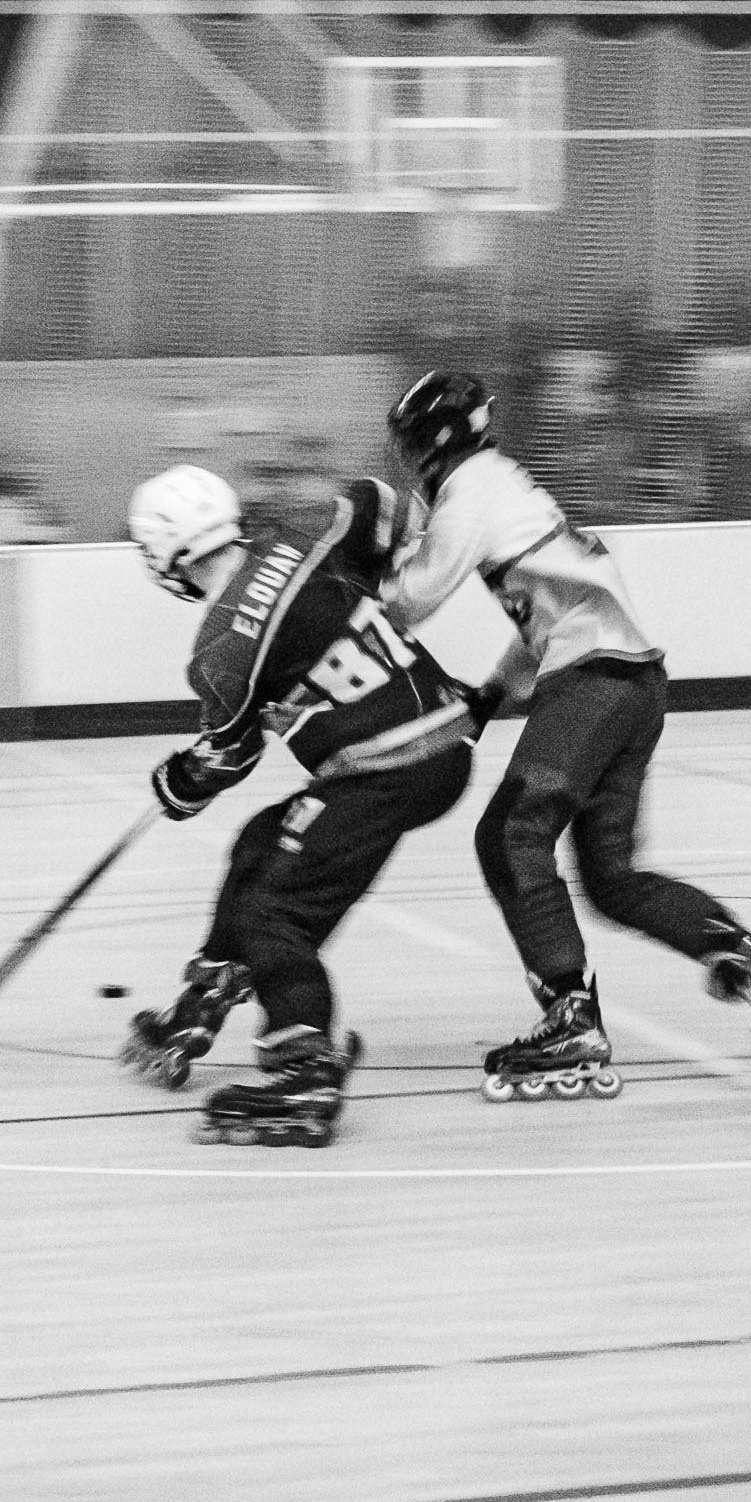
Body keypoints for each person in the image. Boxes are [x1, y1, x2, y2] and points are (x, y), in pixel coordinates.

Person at [377, 370, 751, 1102]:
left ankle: (570, 1017)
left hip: (593, 682)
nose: (409, 465)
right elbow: (547, 620)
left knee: (509, 835)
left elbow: (412, 599)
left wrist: (358, 576)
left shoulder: (470, 490)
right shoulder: (508, 488)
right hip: (632, 682)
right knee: (613, 880)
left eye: (409, 448)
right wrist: (488, 698)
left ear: (435, 440)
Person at [124, 464, 476, 1147]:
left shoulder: (219, 651)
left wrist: (177, 783)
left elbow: (228, 757)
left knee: (274, 909)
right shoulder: (299, 540)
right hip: (437, 742)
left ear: (163, 556)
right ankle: (207, 998)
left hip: (384, 767)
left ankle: (304, 1067)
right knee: (261, 842)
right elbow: (381, 503)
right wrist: (370, 588)